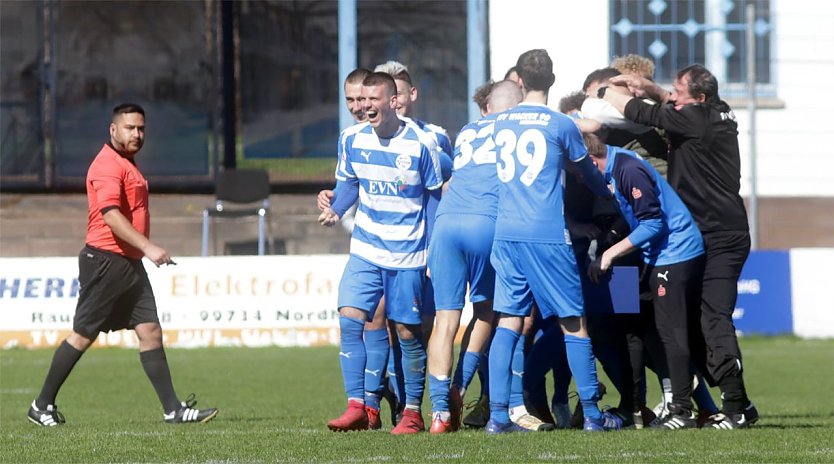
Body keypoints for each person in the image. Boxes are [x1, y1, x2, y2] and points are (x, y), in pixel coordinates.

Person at [27, 103, 217, 427]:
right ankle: (41, 405)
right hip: (106, 262)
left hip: (128, 263)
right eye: (130, 128)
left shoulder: (128, 164)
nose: (137, 134)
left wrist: (140, 252)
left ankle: (173, 409)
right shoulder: (107, 165)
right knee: (83, 335)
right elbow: (110, 215)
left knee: (150, 332)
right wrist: (148, 247)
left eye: (141, 128)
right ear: (113, 130)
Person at [602, 63, 759, 429]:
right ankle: (734, 404)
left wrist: (602, 92)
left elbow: (640, 111)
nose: (672, 96)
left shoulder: (695, 121)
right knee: (679, 325)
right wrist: (650, 87)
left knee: (711, 319)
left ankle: (727, 408)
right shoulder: (710, 111)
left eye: (679, 91)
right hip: (694, 237)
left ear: (699, 99)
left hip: (719, 236)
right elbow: (665, 103)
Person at [485, 49, 621, 434]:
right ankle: (593, 415)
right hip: (545, 233)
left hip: (506, 233)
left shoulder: (500, 122)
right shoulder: (561, 124)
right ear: (552, 80)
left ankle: (498, 417)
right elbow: (584, 172)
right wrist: (606, 191)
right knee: (574, 323)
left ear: (520, 82)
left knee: (508, 322)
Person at [320, 72, 443, 435]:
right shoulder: (351, 139)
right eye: (363, 99)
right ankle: (357, 405)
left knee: (406, 332)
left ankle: (412, 412)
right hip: (366, 248)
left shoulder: (422, 143)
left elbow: (434, 198)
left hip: (408, 255)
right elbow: (349, 183)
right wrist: (337, 209)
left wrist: (433, 250)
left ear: (393, 101)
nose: (367, 106)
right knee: (348, 317)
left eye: (375, 99)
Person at [584, 133, 707, 429]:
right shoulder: (612, 165)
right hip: (645, 256)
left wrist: (609, 251)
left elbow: (651, 221)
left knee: (666, 332)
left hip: (661, 255)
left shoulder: (626, 168)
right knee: (635, 332)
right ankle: (635, 406)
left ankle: (687, 407)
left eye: (577, 167)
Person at [425, 80, 523, 434]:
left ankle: (439, 413)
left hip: (446, 224)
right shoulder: (519, 130)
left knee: (444, 319)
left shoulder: (467, 130)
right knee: (486, 311)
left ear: (487, 107)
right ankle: (460, 388)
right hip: (486, 223)